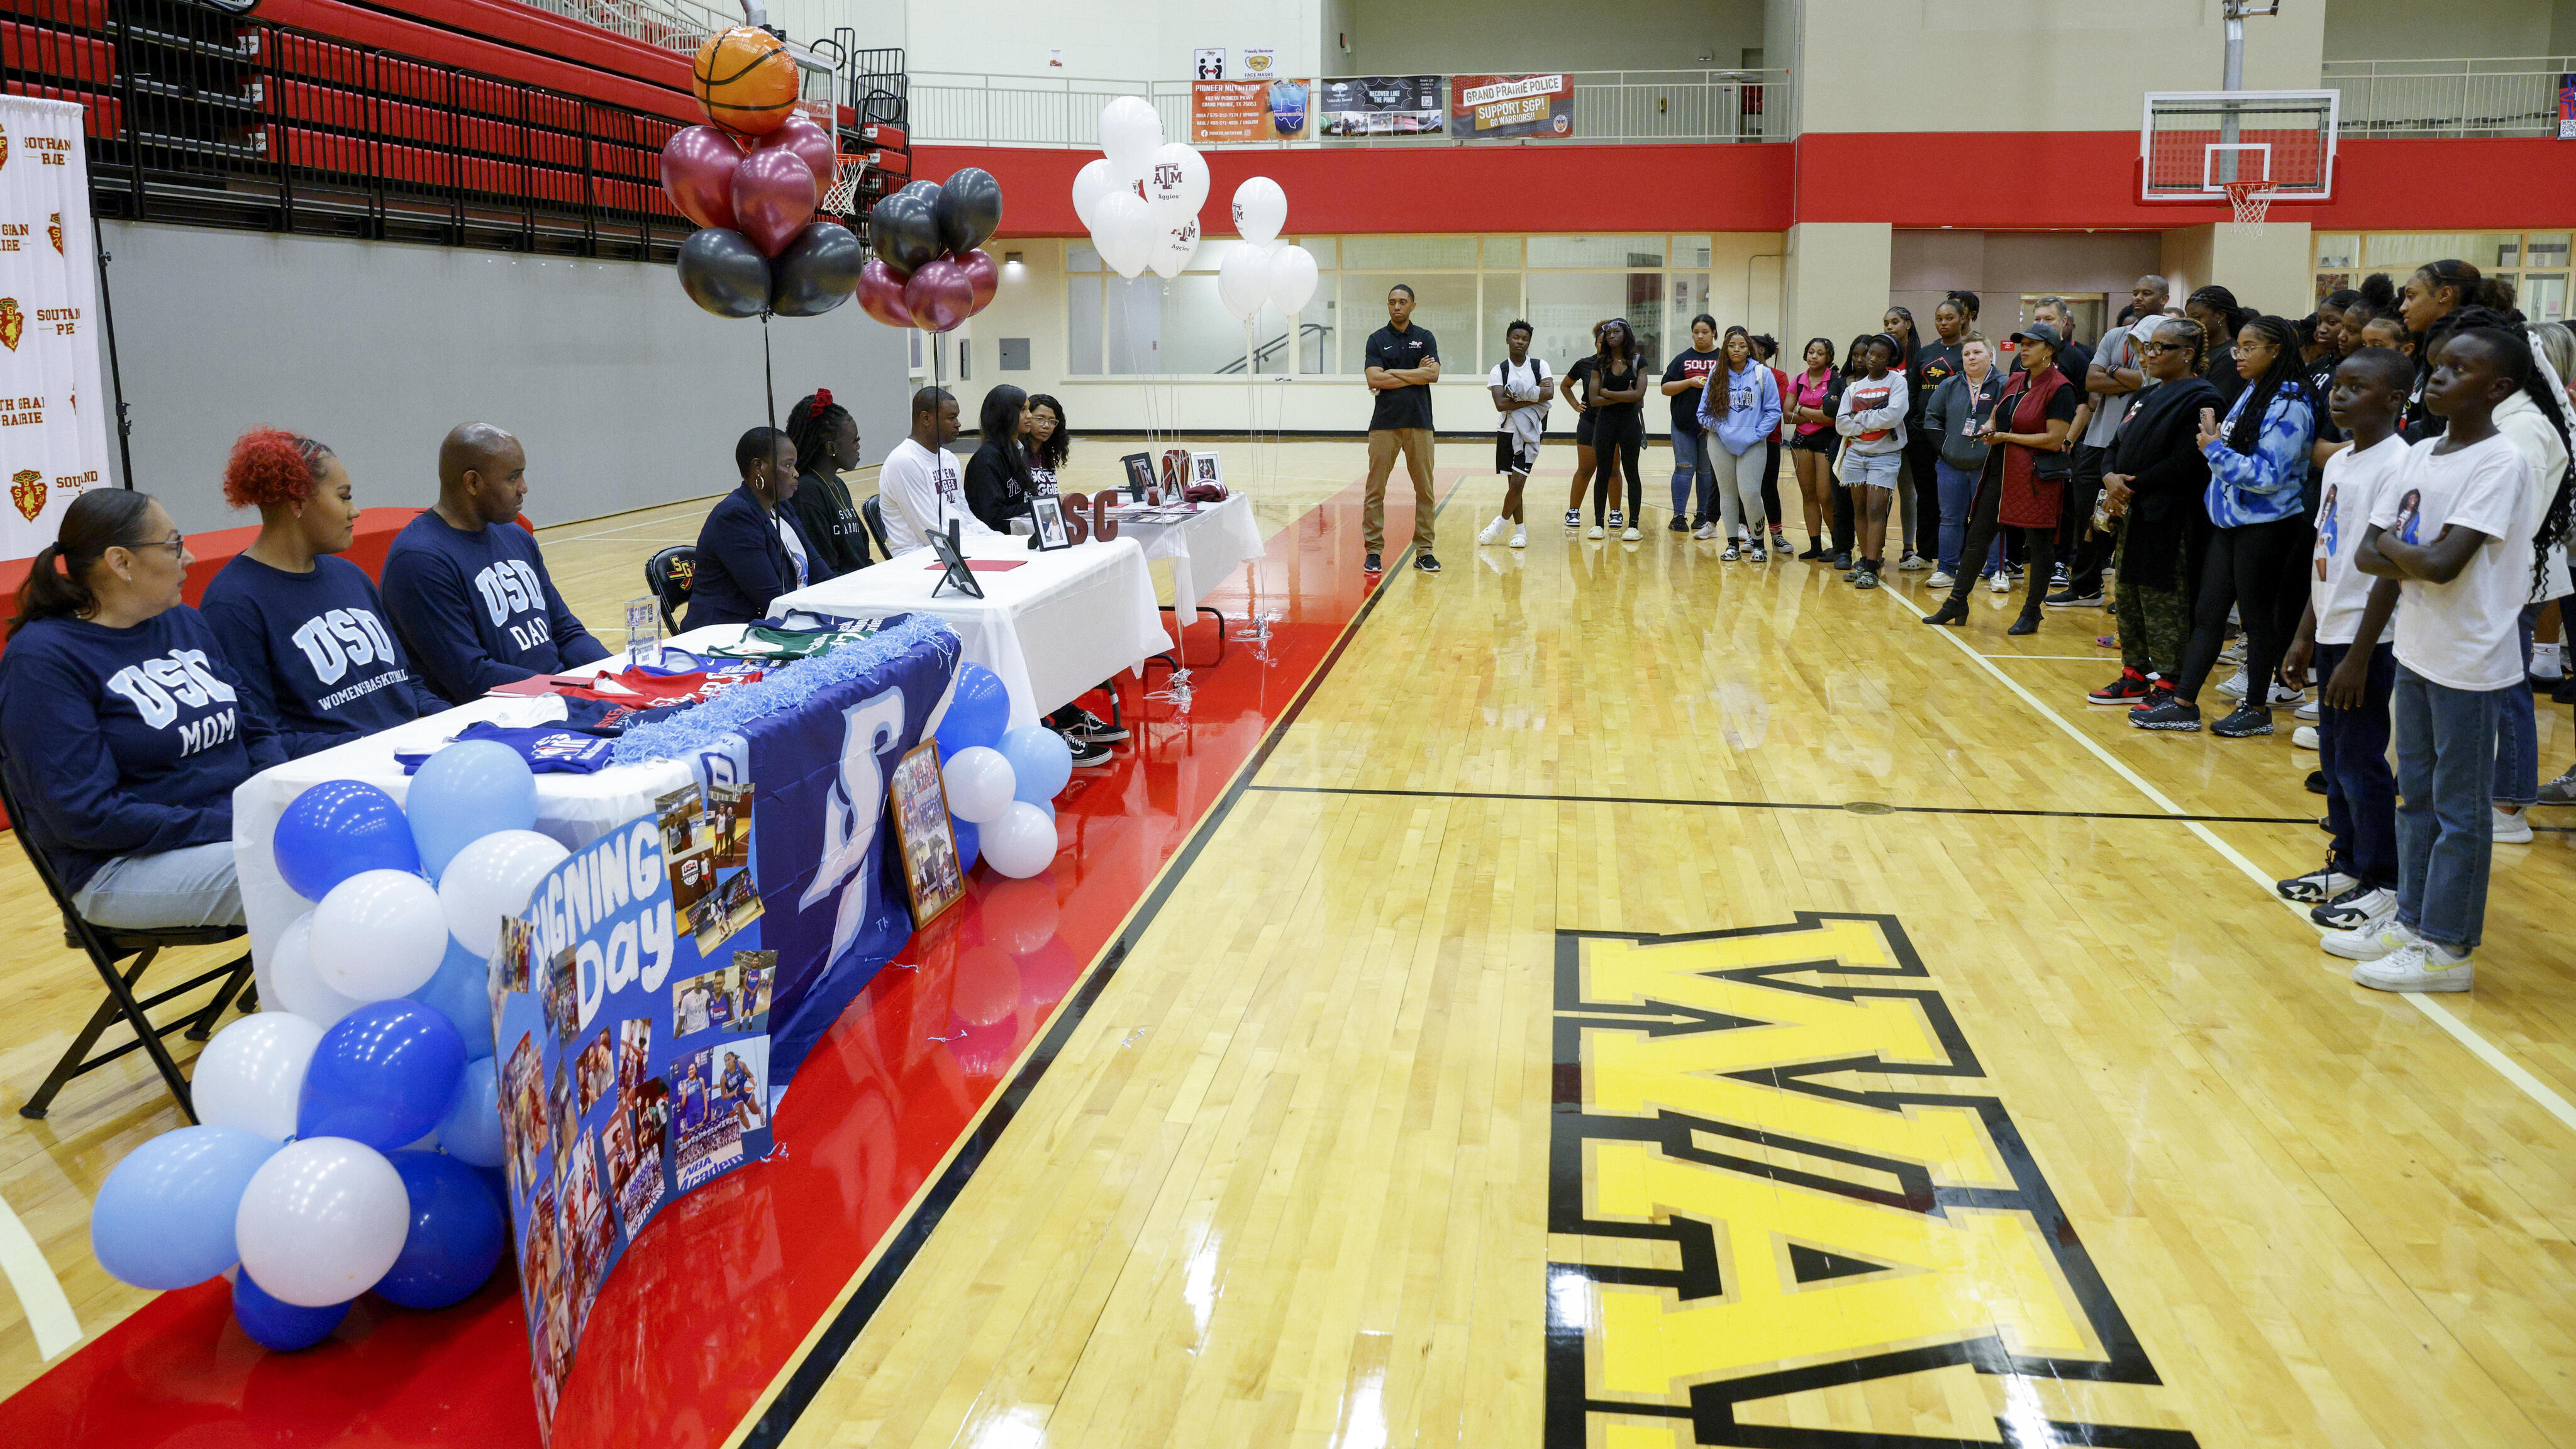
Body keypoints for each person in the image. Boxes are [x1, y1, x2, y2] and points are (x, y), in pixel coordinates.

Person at [2334, 325, 2570, 992]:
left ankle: (2448, 949)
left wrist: (2405, 551)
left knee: (2459, 812)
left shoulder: (2501, 462)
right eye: (2437, 366)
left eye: (2458, 370)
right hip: (2417, 647)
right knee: (2417, 799)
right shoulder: (2418, 454)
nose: (2438, 377)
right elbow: (2365, 553)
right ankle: (2411, 922)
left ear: (2497, 389)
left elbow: (2439, 563)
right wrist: (2414, 553)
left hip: (2469, 659)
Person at [0, 491, 283, 928]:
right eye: (173, 544)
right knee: (309, 870)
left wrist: (269, 798)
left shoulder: (183, 621)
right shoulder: (42, 661)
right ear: (121, 563)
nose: (187, 557)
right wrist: (235, 821)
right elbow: (86, 815)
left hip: (229, 829)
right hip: (118, 866)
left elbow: (256, 729)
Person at [198, 429, 446, 759]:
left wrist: (451, 721)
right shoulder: (233, 604)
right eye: (344, 496)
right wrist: (379, 746)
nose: (355, 511)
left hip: (410, 755)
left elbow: (406, 684)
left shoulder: (350, 576)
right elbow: (263, 739)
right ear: (297, 501)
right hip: (340, 778)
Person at [2273, 347, 2412, 934]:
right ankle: (2350, 862)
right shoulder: (2339, 463)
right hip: (2332, 628)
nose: (2340, 394)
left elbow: (2387, 568)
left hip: (2370, 641)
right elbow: (2325, 553)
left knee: (2360, 762)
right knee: (2334, 760)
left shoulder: (2399, 465)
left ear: (2395, 399)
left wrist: (2357, 652)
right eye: (2339, 385)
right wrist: (2305, 634)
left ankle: (2382, 879)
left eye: (2358, 387)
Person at [2132, 316, 2319, 735]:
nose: (2240, 355)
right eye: (2240, 347)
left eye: (2251, 347)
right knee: (2208, 611)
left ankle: (2256, 708)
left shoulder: (2292, 401)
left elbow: (2269, 474)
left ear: (2277, 351)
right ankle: (2183, 703)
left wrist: (2215, 450)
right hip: (2231, 521)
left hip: (2267, 524)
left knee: (2256, 618)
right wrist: (2218, 445)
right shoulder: (2255, 390)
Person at [382, 423, 609, 704]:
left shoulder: (515, 536)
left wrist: (613, 677)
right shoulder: (420, 561)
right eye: (513, 478)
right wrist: (571, 692)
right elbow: (472, 677)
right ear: (472, 483)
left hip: (558, 697)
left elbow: (567, 633)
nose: (524, 488)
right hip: (499, 719)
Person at [2089, 318, 2220, 706]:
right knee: (2127, 593)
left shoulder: (2202, 396)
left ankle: (2170, 681)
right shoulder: (2142, 396)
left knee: (2164, 598)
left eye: (2161, 347)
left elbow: (2188, 460)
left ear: (2187, 354)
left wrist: (2131, 484)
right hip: (2132, 512)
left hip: (2173, 517)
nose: (2151, 354)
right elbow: (2115, 444)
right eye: (2149, 347)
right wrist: (2109, 475)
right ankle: (2134, 674)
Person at [1923, 321, 2077, 634]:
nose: (2023, 348)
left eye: (2031, 344)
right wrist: (1990, 427)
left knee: (2039, 544)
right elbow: (1997, 412)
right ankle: (1957, 602)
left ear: (2049, 350)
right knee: (1977, 536)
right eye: (2022, 343)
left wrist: (2006, 436)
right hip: (2002, 471)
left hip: (2037, 477)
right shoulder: (2017, 380)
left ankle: (2032, 611)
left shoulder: (2061, 388)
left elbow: (2053, 440)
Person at [2058, 275, 2170, 608]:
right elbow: (2092, 383)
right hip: (2098, 439)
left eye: (2147, 293)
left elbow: (2148, 381)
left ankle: (2127, 595)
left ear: (2164, 299)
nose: (2138, 297)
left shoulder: (2168, 339)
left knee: (2126, 521)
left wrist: (2114, 372)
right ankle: (2085, 586)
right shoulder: (2114, 335)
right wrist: (2126, 378)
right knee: (2087, 516)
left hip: (2136, 444)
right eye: (2135, 292)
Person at [686, 426, 836, 630]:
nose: (796, 473)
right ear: (758, 467)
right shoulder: (734, 517)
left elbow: (823, 576)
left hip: (775, 624)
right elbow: (772, 600)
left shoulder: (782, 507)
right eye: (788, 465)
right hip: (724, 637)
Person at [1361, 284, 1441, 574]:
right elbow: (1374, 380)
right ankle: (1373, 551)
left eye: (1403, 302)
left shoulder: (1425, 337)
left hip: (1420, 423)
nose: (1397, 306)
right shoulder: (1376, 339)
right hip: (1384, 425)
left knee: (1425, 490)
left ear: (1412, 305)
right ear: (1388, 306)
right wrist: (1414, 375)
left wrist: (1391, 373)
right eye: (1392, 302)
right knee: (1375, 490)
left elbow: (1432, 374)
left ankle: (1424, 551)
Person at [1919, 336, 2006, 591]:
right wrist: (1945, 449)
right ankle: (1946, 569)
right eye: (1967, 354)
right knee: (1950, 519)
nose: (1971, 358)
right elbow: (1931, 417)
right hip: (1951, 465)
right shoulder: (1949, 385)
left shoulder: (2004, 384)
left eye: (1977, 352)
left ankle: (1996, 571)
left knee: (1992, 519)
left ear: (1990, 356)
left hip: (1988, 467)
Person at [879, 387, 994, 555]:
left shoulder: (949, 459)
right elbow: (931, 531)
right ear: (926, 418)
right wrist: (982, 547)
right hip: (918, 556)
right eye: (951, 418)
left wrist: (994, 539)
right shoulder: (904, 461)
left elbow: (965, 514)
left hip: (960, 546)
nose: (958, 424)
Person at [1833, 335, 1908, 589]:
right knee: (1860, 510)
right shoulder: (1853, 388)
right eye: (1870, 354)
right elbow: (1841, 423)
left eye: (1880, 356)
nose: (1872, 359)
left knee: (1876, 509)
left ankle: (1873, 566)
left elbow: (1893, 416)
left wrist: (1860, 417)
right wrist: (1868, 418)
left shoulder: (1897, 382)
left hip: (1885, 455)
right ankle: (1864, 562)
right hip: (1856, 454)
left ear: (1890, 360)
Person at [1701, 325, 1781, 562]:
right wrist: (1723, 431)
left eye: (1742, 345)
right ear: (1725, 349)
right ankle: (1732, 545)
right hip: (1720, 442)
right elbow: (1703, 413)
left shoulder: (1761, 374)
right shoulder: (1717, 373)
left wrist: (1755, 435)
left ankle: (1758, 544)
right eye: (1732, 345)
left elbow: (1773, 411)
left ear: (1750, 349)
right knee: (1727, 494)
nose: (1736, 349)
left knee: (1750, 493)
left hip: (1753, 443)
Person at [784, 389, 872, 575]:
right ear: (831, 448)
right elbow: (824, 572)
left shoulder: (837, 485)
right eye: (854, 440)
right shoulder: (807, 493)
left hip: (860, 584)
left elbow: (861, 557)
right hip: (839, 594)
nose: (858, 446)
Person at [1481, 319, 1551, 549]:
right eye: (1516, 337)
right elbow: (1501, 404)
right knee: (1514, 485)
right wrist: (1531, 397)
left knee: (1519, 480)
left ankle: (1500, 523)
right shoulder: (1498, 370)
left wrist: (1518, 396)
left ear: (1529, 342)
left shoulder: (1540, 366)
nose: (1520, 342)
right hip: (1506, 431)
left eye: (1525, 339)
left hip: (1530, 433)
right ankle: (1520, 531)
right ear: (1508, 339)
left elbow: (1549, 393)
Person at [1582, 318, 1648, 541]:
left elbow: (1638, 395)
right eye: (1608, 333)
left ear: (1626, 334)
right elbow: (1593, 400)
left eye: (1616, 331)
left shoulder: (1639, 361)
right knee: (1603, 471)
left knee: (1632, 473)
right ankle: (1598, 524)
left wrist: (1608, 393)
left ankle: (1634, 526)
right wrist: (1625, 397)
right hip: (1606, 424)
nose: (1611, 335)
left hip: (1630, 424)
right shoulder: (1599, 364)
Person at [1660, 314, 1724, 536]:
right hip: (1684, 423)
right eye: (1696, 332)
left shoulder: (1722, 359)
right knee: (1684, 467)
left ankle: (1703, 515)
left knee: (1706, 470)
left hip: (1713, 425)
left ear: (1714, 333)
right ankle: (1679, 516)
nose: (1700, 336)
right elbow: (1665, 387)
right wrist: (1690, 382)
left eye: (1705, 332)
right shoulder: (1682, 359)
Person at [1883, 305, 1935, 569]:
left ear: (1908, 325)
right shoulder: (1884, 358)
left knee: (1909, 492)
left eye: (1895, 322)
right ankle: (1875, 546)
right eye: (1886, 323)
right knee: (1882, 492)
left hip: (1910, 434)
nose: (1890, 327)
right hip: (1883, 436)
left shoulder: (1920, 357)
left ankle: (1907, 547)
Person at [1784, 337, 1843, 560]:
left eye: (1820, 353)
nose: (1814, 356)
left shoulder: (1836, 381)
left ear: (1829, 357)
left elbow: (1832, 418)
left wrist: (1802, 409)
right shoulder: (1798, 380)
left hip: (1827, 440)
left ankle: (1839, 545)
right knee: (1808, 494)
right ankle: (1815, 544)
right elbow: (1787, 416)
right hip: (1801, 441)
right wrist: (1814, 412)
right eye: (1811, 352)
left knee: (1825, 495)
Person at [964, 384, 1038, 532]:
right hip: (992, 541)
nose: (1030, 415)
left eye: (1029, 409)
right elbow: (993, 516)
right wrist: (1040, 505)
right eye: (1023, 410)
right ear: (1005, 414)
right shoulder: (986, 459)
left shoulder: (1018, 450)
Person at [1560, 319, 1608, 533]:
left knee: (1614, 470)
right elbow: (1565, 385)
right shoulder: (1585, 364)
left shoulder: (1622, 365)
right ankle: (1573, 511)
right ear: (1596, 343)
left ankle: (1615, 513)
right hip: (1589, 422)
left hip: (1613, 424)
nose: (1604, 344)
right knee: (1586, 468)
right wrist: (1574, 405)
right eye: (1600, 341)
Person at [1750, 335, 1792, 553]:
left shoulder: (1778, 376)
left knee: (1768, 487)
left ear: (1766, 351)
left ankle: (1777, 535)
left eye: (1756, 348)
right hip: (1745, 441)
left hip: (1770, 439)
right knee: (1748, 490)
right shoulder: (1741, 374)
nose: (1751, 351)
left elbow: (1774, 408)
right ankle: (1752, 535)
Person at [1024, 394, 1070, 496]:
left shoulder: (1046, 454)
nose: (1046, 426)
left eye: (1052, 421)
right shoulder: (1017, 453)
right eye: (1040, 419)